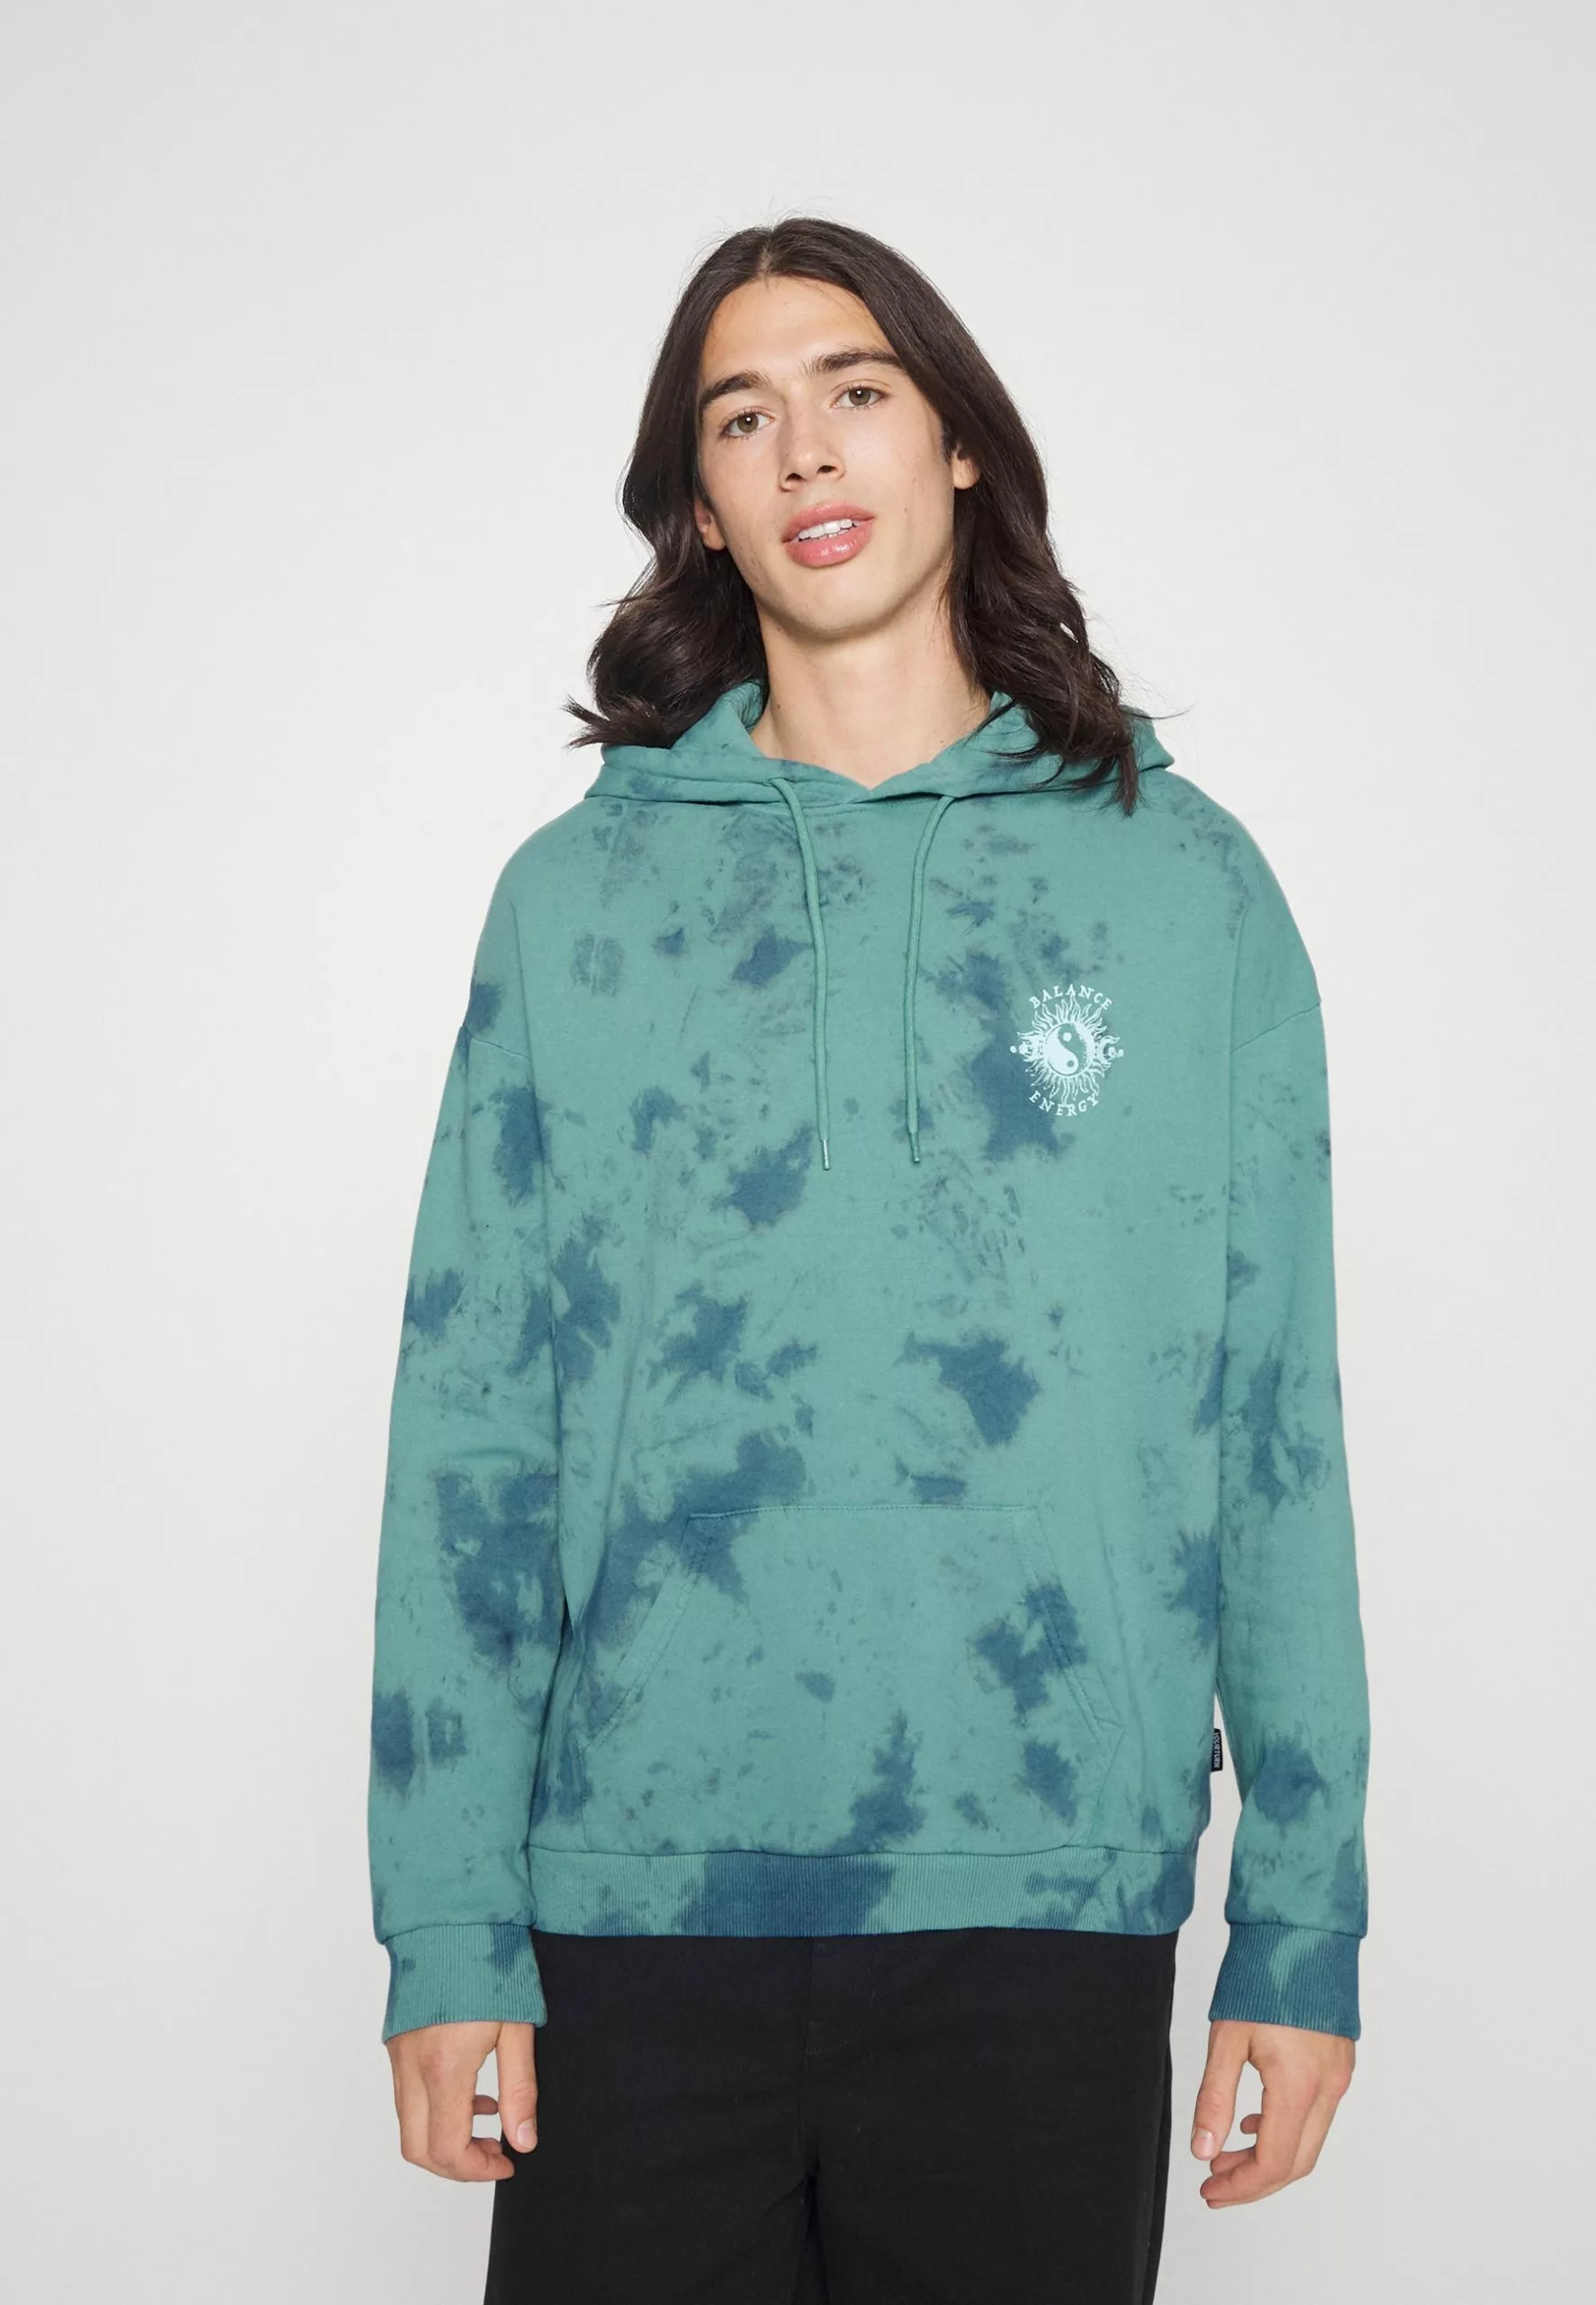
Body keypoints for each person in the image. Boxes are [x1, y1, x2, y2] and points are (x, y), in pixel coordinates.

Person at [366, 215, 1371, 2304]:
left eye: (854, 391)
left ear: (957, 442)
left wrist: (1300, 1917)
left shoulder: (1185, 890)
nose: (806, 449)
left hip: (1046, 1899)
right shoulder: (577, 905)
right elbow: (474, 1432)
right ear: (701, 503)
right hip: (636, 1904)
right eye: (742, 417)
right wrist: (446, 1920)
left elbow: (1272, 1422)